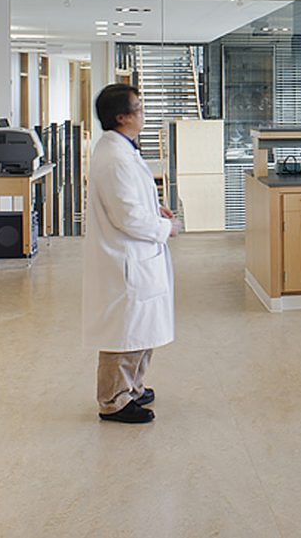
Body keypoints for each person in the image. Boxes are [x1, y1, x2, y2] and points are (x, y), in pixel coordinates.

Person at [83, 84, 175, 425]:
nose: (143, 112)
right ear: (121, 117)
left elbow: (134, 203)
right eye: (138, 107)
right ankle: (114, 401)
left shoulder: (123, 150)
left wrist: (156, 210)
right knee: (124, 332)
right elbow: (128, 217)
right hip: (124, 259)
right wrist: (165, 229)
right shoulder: (114, 159)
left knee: (140, 330)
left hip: (136, 256)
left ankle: (133, 388)